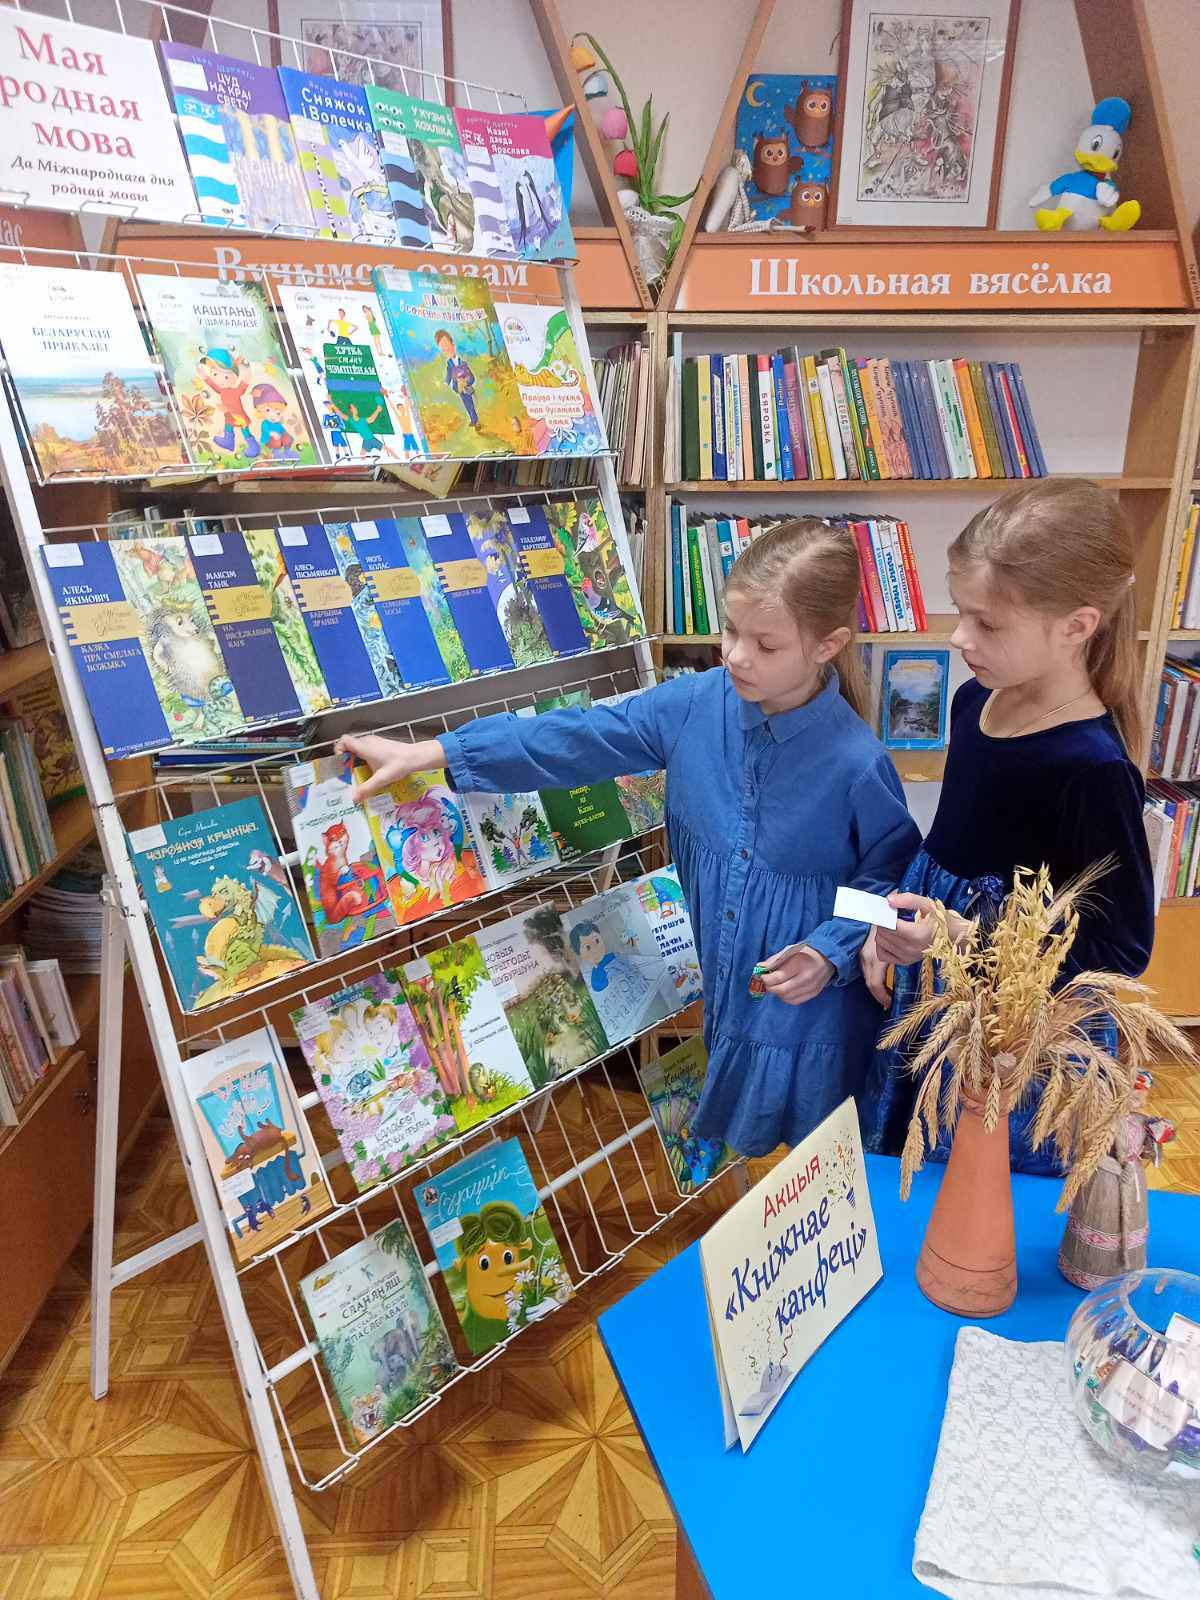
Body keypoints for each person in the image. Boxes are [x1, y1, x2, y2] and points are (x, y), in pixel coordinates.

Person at [338, 519, 920, 1157]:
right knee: (757, 1162)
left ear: (828, 645)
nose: (735, 656)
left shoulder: (856, 762)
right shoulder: (694, 705)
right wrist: (435, 752)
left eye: (765, 645)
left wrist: (830, 950)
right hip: (729, 1004)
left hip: (816, 1023)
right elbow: (577, 737)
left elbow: (886, 881)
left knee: (823, 1170)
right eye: (729, 631)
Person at [859, 479, 1156, 1175]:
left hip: (1014, 1029)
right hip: (933, 986)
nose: (959, 637)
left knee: (987, 1179)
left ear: (1076, 626)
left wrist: (965, 939)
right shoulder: (974, 701)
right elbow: (948, 852)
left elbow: (1120, 947)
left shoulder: (1092, 768)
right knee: (913, 1159)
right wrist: (889, 930)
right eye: (962, 611)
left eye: (987, 624)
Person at [434, 329, 480, 431]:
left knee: (471, 404)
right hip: (459, 389)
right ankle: (473, 419)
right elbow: (448, 375)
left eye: (447, 346)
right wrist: (446, 383)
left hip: (466, 387)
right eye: (444, 349)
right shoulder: (449, 364)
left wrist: (467, 381)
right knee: (466, 404)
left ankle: (476, 421)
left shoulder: (463, 362)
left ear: (453, 345)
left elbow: (471, 376)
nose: (447, 350)